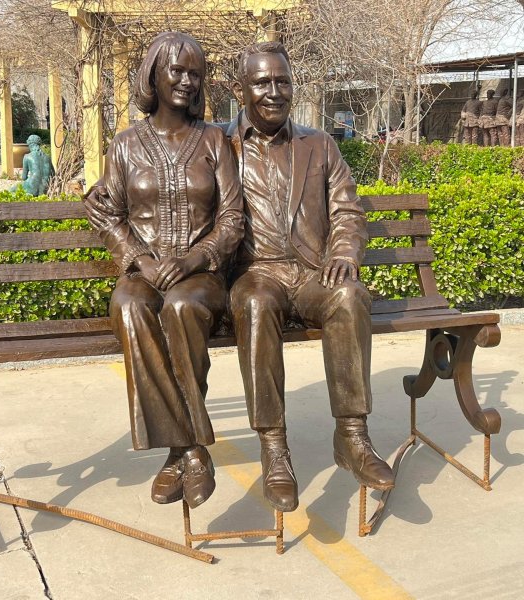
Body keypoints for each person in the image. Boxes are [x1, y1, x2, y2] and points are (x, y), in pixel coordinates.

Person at [224, 41, 394, 513]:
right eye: (262, 82)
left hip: (312, 270)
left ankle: (352, 438)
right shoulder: (219, 143)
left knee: (348, 296)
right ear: (242, 90)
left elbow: (347, 210)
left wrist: (342, 251)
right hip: (256, 274)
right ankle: (274, 448)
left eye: (283, 81)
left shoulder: (319, 143)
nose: (274, 91)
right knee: (255, 305)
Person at [83, 32, 244, 509]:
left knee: (181, 306)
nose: (187, 81)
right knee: (129, 305)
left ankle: (179, 450)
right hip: (144, 268)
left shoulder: (214, 140)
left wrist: (194, 258)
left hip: (201, 273)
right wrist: (139, 258)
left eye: (195, 72)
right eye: (176, 70)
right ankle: (194, 448)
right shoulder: (127, 144)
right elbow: (106, 210)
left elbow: (233, 219)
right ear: (153, 73)